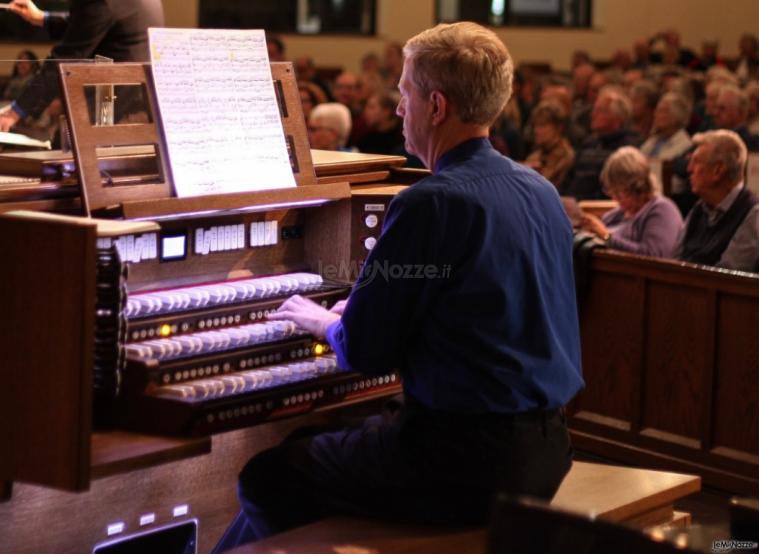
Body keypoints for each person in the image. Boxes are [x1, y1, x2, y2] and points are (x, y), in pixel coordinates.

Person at [212, 21, 584, 552]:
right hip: (548, 450)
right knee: (308, 448)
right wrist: (365, 310)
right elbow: (477, 302)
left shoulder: (429, 202)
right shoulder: (541, 190)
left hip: (464, 463)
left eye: (403, 92)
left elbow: (364, 349)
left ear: (436, 106)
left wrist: (329, 321)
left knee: (269, 477)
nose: (396, 109)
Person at [0, 0, 164, 133]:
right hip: (143, 112)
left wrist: (15, 112)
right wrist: (43, 18)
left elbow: (63, 60)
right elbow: (89, 23)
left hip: (111, 115)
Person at [674, 130, 759, 272]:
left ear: (718, 171)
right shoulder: (699, 208)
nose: (689, 169)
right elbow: (674, 262)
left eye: (696, 162)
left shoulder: (752, 213)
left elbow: (726, 279)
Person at [580, 146, 683, 258]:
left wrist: (606, 236)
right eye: (612, 193)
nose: (615, 199)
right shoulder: (617, 213)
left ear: (639, 187)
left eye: (619, 193)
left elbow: (653, 255)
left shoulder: (663, 210)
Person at [561, 87, 639, 199]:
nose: (593, 115)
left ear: (618, 118)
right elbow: (569, 178)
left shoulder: (627, 148)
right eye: (594, 110)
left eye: (601, 111)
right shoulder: (589, 143)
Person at [524, 100, 575, 187]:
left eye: (542, 125)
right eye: (535, 125)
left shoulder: (567, 157)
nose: (536, 131)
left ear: (558, 127)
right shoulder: (533, 157)